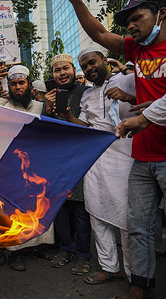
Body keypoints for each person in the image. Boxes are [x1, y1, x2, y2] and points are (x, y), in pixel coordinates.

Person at [69, 0, 166, 297]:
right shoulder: (137, 51)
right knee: (136, 225)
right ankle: (139, 286)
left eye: (138, 18)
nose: (132, 26)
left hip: (155, 154)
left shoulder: (127, 72)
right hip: (142, 156)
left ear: (161, 14)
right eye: (128, 23)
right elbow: (98, 32)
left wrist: (141, 114)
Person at [58, 47, 136, 285]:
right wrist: (67, 116)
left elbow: (153, 104)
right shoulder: (87, 95)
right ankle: (110, 267)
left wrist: (128, 97)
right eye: (84, 67)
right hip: (96, 160)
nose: (89, 68)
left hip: (125, 158)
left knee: (126, 219)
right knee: (97, 214)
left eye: (92, 63)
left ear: (104, 60)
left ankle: (136, 275)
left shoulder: (129, 80)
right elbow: (86, 126)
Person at [0, 65, 54, 271]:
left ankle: (23, 250)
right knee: (5, 211)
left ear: (28, 84)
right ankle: (4, 250)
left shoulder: (39, 106)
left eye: (21, 83)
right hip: (6, 167)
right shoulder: (0, 104)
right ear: (8, 86)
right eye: (13, 84)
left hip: (34, 169)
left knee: (31, 210)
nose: (18, 87)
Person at [45, 53, 92, 277]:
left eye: (66, 69)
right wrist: (47, 107)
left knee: (81, 209)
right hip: (58, 160)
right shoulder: (49, 97)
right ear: (53, 75)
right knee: (61, 207)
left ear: (74, 71)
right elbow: (47, 130)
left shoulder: (87, 92)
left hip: (82, 158)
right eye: (57, 70)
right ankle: (65, 249)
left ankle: (83, 255)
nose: (62, 73)